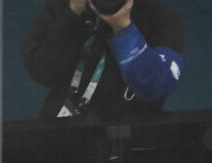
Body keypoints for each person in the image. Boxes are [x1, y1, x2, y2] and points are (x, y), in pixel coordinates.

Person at [23, 0, 186, 122]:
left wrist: (123, 27)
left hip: (131, 137)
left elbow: (154, 87)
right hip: (62, 133)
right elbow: (42, 71)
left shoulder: (159, 17)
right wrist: (72, 15)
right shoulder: (64, 7)